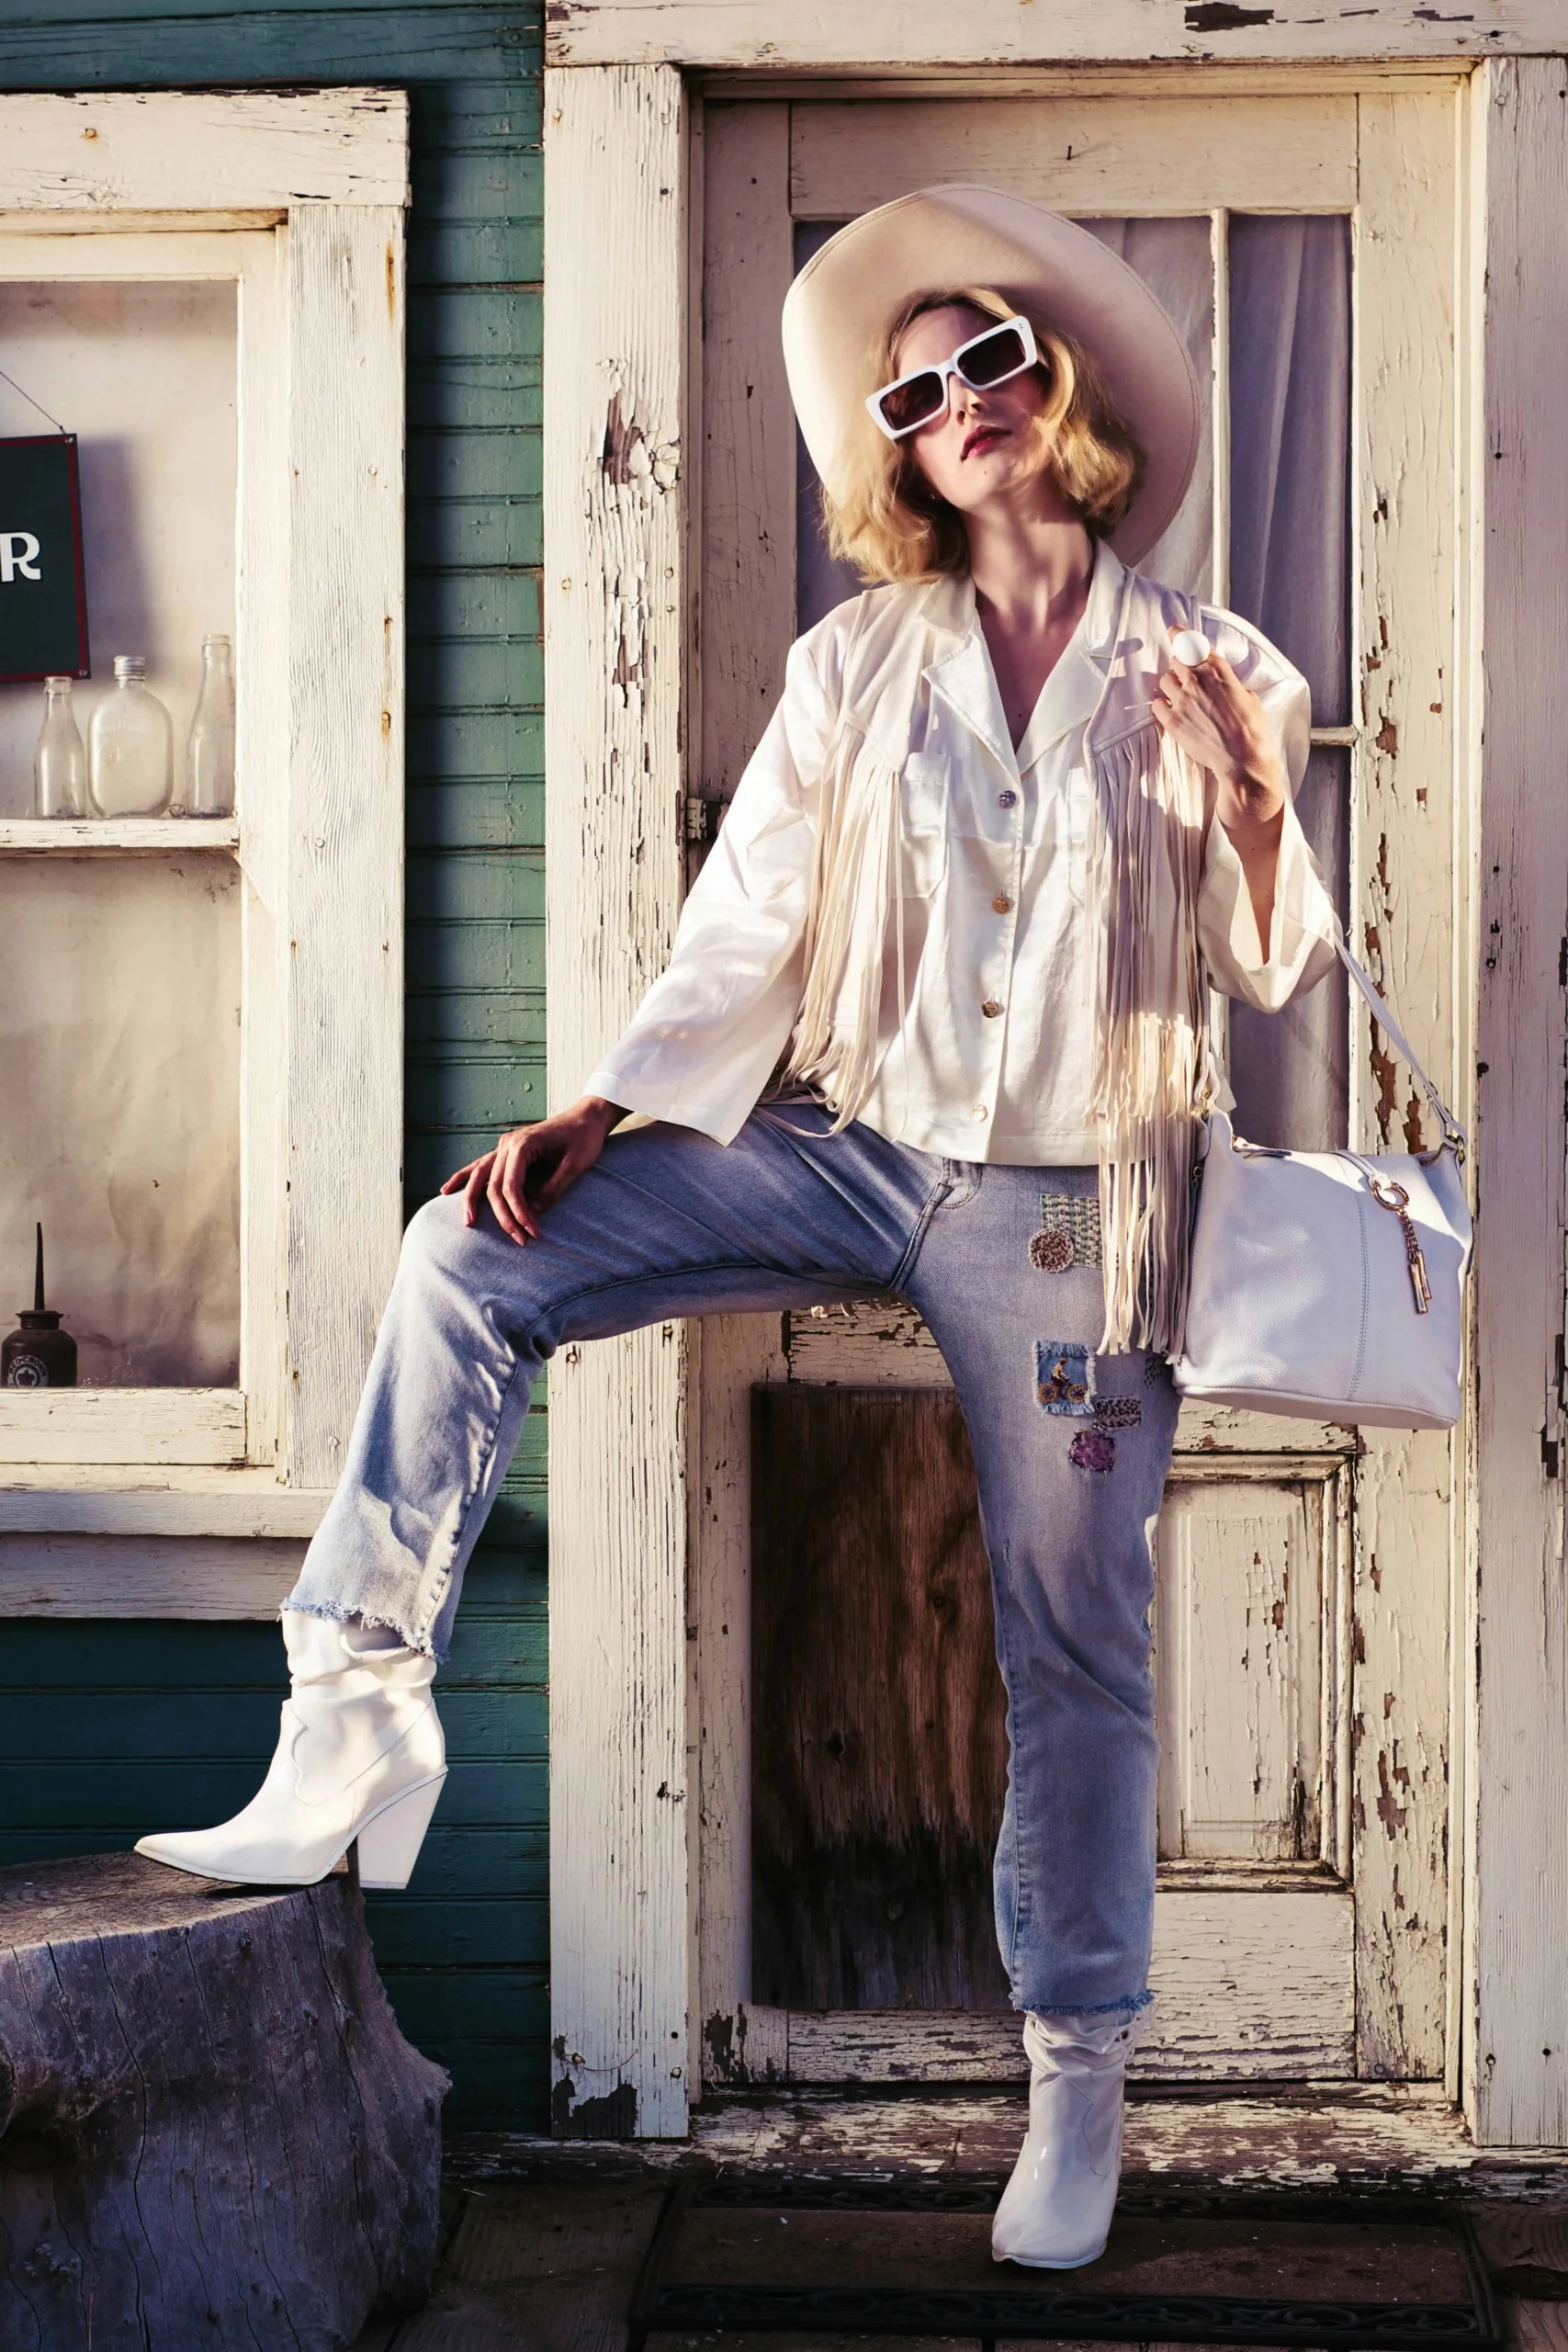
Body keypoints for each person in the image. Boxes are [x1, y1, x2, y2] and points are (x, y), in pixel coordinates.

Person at [136, 187, 1337, 2268]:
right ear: (894, 443)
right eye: (916, 384)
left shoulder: (1214, 658)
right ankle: (353, 1715)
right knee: (467, 1253)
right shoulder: (857, 659)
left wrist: (1246, 797)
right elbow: (750, 921)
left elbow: (1272, 967)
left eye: (992, 361)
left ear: (1058, 399)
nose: (958, 400)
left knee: (1073, 1645)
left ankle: (1073, 2079)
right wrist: (605, 1102)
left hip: (1069, 1207)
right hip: (850, 1138)